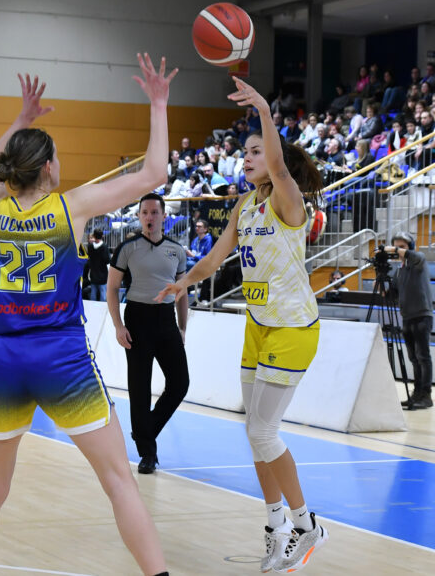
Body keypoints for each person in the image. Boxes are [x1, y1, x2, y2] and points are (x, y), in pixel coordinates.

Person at [0, 55, 176, 576]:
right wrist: (159, 104)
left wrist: (20, 120)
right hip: (61, 357)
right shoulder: (71, 207)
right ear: (49, 168)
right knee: (119, 481)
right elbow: (154, 173)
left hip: (5, 359)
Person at [157, 76, 328, 574]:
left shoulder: (287, 199)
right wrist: (185, 281)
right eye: (245, 152)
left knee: (264, 429)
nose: (247, 157)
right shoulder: (245, 204)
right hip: (258, 325)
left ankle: (305, 523)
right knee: (253, 432)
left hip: (293, 327)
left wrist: (264, 111)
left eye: (255, 151)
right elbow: (216, 256)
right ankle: (275, 526)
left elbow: (277, 162)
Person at [107, 193, 190, 475]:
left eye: (155, 212)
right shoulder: (127, 248)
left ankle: (145, 431)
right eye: (145, 213)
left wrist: (182, 327)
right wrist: (119, 325)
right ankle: (148, 454)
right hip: (137, 318)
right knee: (139, 388)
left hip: (165, 319)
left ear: (164, 216)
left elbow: (182, 292)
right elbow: (111, 288)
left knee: (180, 383)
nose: (150, 217)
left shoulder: (176, 250)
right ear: (139, 216)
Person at [384, 232, 434, 410]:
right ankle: (417, 392)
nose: (397, 251)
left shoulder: (418, 260)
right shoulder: (399, 271)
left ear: (409, 247)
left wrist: (396, 249)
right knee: (414, 357)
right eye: (396, 247)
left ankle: (426, 395)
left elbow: (415, 256)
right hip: (407, 316)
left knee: (423, 356)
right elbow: (392, 295)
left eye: (402, 247)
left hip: (422, 314)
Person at [83, 229, 110, 301]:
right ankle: (102, 309)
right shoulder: (104, 246)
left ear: (94, 236)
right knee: (103, 293)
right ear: (102, 236)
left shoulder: (90, 246)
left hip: (93, 273)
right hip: (102, 274)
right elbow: (107, 260)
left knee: (93, 292)